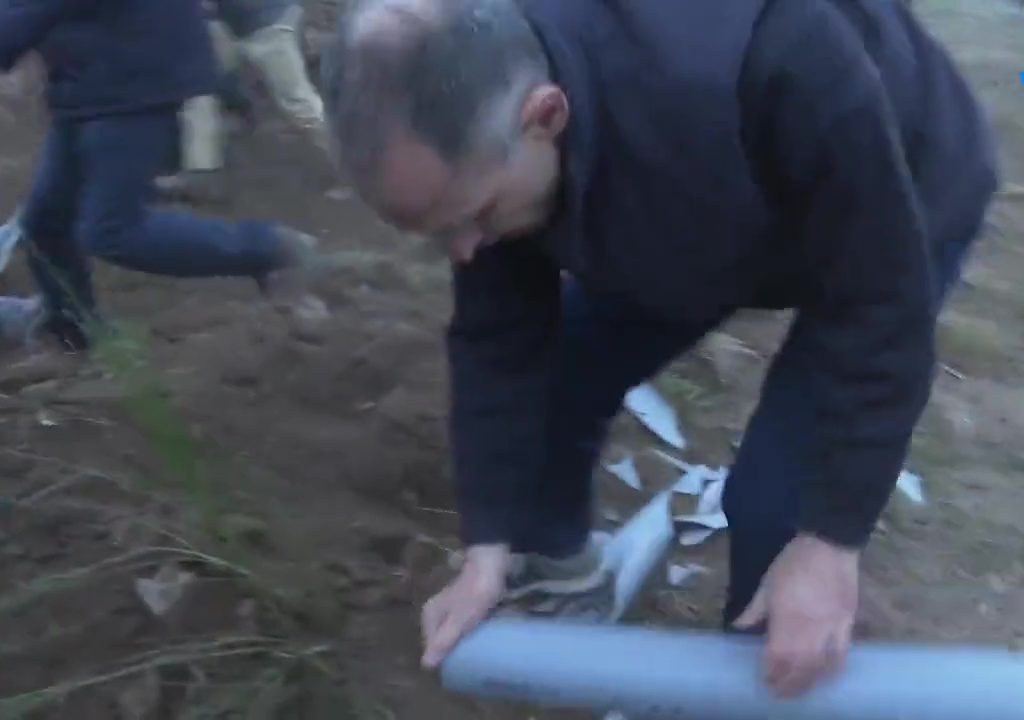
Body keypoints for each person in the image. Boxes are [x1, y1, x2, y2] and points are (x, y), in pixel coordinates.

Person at [323, 0, 997, 699]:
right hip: (685, 191)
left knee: (778, 505)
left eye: (477, 217)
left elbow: (880, 306)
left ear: (545, 117)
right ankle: (561, 577)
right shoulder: (493, 104)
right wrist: (489, 543)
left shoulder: (780, 54)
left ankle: (769, 681)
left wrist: (831, 541)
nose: (463, 252)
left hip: (892, 191)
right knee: (556, 379)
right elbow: (499, 338)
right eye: (440, 235)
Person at [0, 0, 321, 352]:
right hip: (91, 79)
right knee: (45, 223)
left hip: (133, 84)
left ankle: (273, 250)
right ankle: (72, 327)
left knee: (113, 230)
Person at [156, 0, 330, 203]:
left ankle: (355, 159)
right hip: (226, 24)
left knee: (300, 107)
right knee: (199, 89)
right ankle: (201, 174)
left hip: (268, 24)